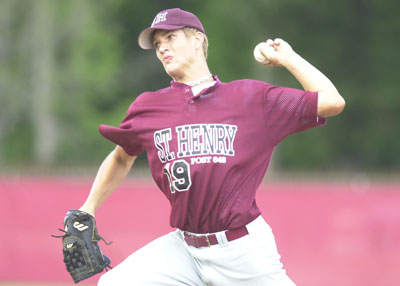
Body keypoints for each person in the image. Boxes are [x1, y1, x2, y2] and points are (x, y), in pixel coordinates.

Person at [79, 8, 345, 286]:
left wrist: (288, 58)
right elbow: (122, 157)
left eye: (170, 37)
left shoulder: (250, 98)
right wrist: (88, 207)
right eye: (157, 44)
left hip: (242, 250)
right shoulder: (148, 106)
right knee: (115, 283)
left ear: (197, 40)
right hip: (184, 250)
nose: (162, 48)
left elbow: (331, 101)